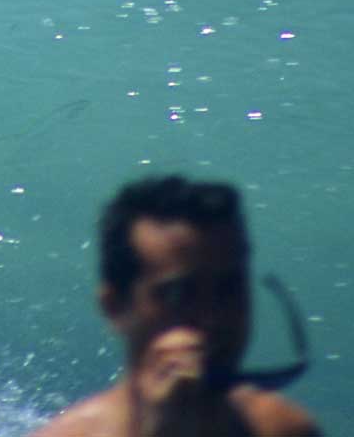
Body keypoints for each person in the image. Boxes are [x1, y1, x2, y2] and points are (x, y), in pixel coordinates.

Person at [31, 176, 322, 437]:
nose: (212, 317)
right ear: (114, 307)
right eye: (178, 295)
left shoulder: (285, 428)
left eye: (228, 289)